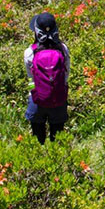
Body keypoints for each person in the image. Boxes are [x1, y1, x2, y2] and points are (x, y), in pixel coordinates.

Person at [24, 13, 70, 143]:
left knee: (38, 139)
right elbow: (66, 76)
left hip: (37, 100)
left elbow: (30, 79)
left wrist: (32, 91)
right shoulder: (63, 49)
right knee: (58, 139)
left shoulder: (29, 52)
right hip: (59, 98)